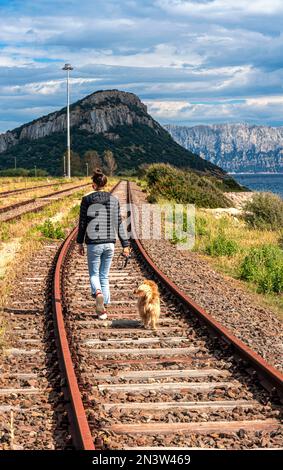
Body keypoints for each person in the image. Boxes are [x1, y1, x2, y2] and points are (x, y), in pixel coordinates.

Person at [77, 169, 130, 320]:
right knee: (104, 275)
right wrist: (125, 245)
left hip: (94, 243)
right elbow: (119, 223)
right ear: (105, 184)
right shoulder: (113, 200)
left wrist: (80, 243)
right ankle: (103, 310)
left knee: (94, 274)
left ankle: (98, 294)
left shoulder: (87, 200)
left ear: (93, 185)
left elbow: (82, 223)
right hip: (110, 244)